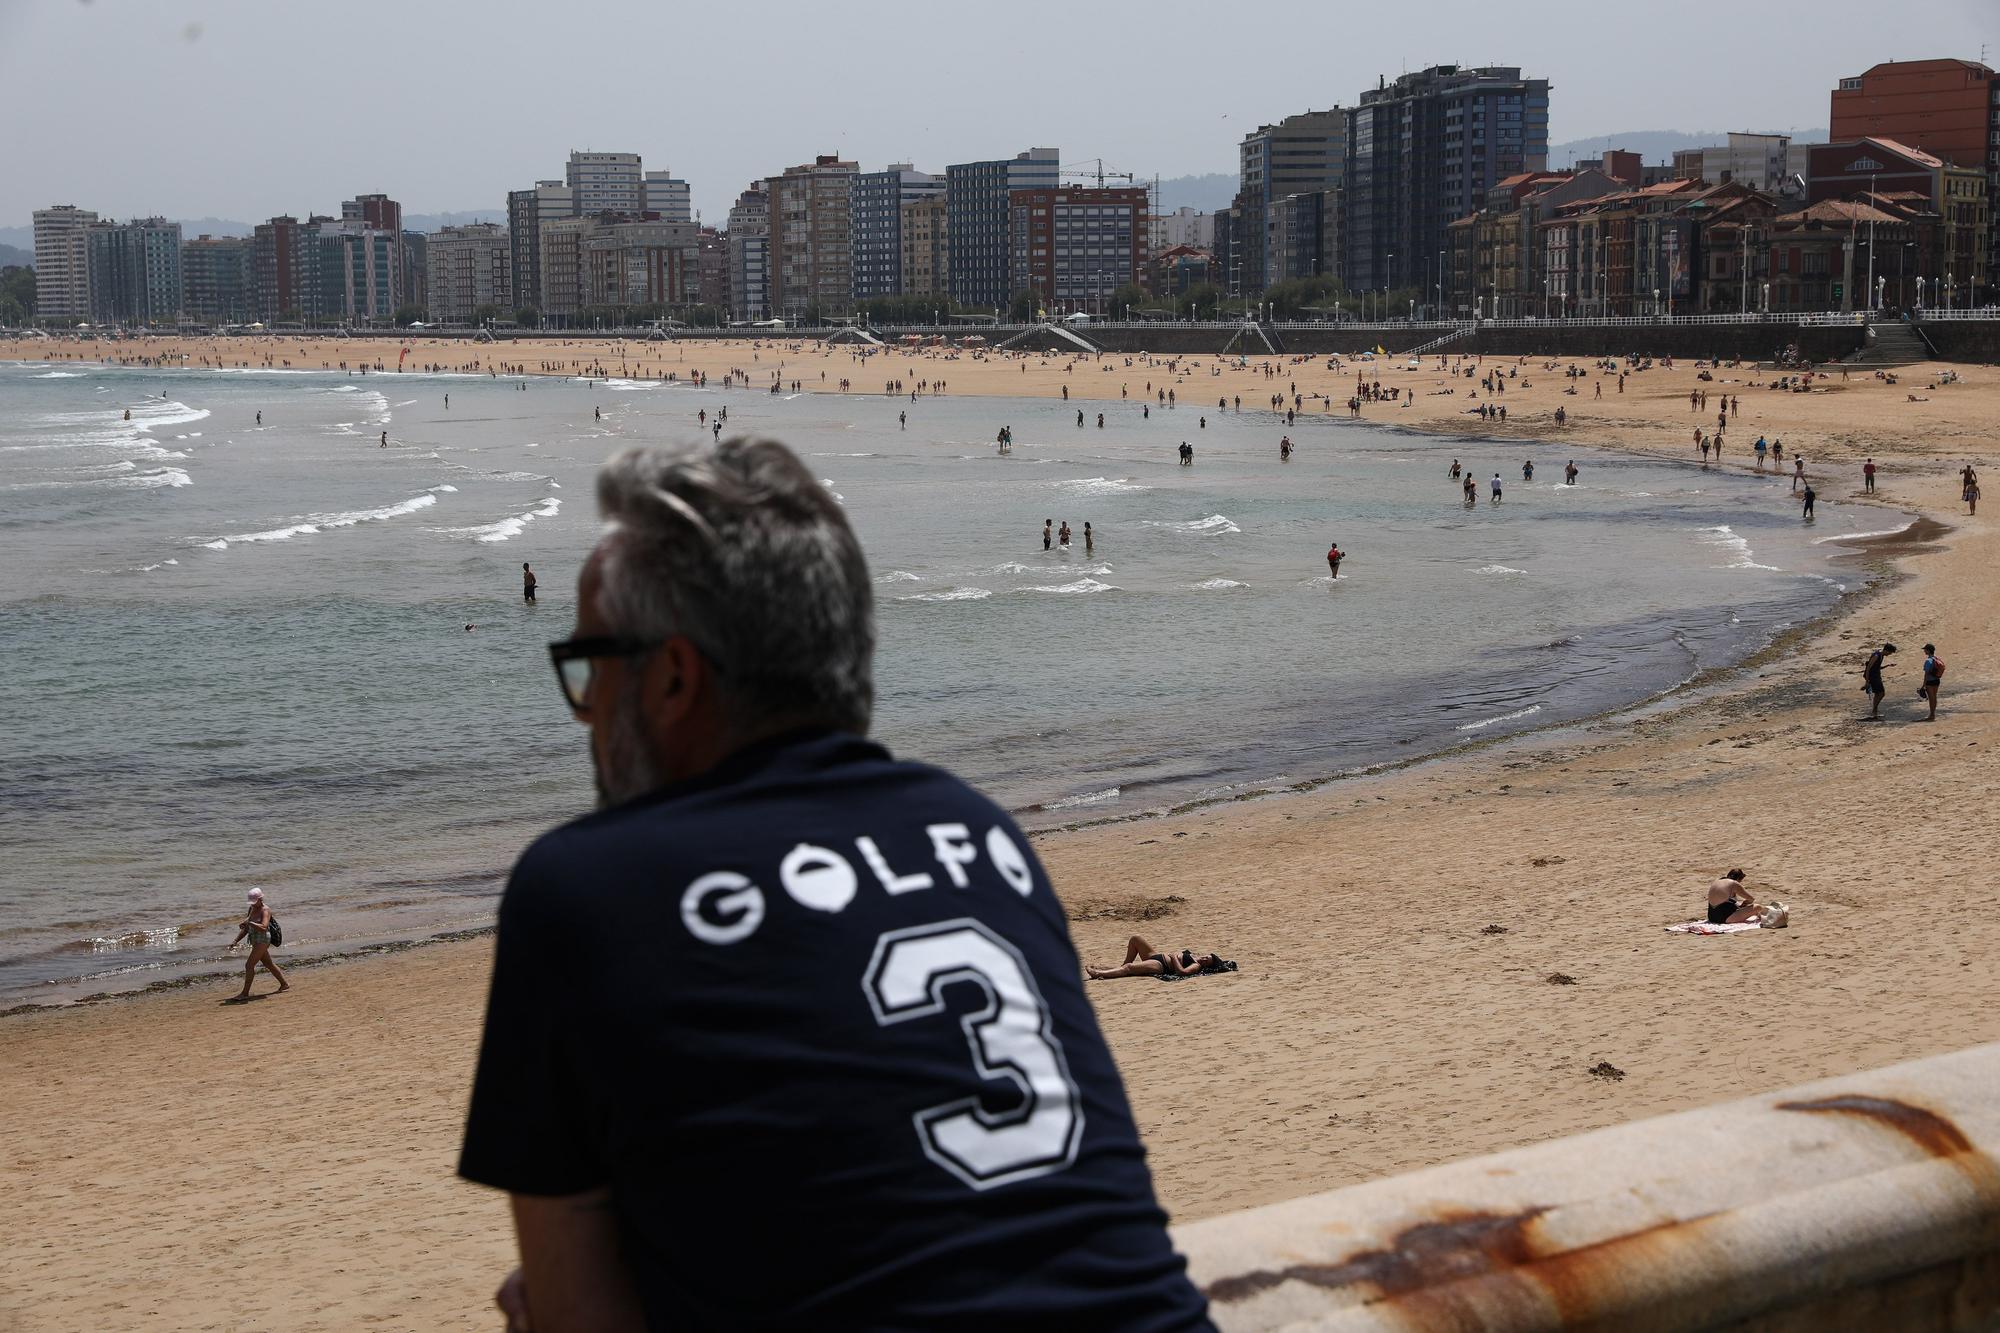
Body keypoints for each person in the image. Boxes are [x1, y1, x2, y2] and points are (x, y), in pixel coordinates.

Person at [459, 439, 1211, 1332]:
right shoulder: (979, 833)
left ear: (670, 675)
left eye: (590, 670)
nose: (587, 711)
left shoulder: (581, 889)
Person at [228, 887, 288, 1000]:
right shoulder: (251, 909)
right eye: (251, 902)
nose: (253, 904)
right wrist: (235, 941)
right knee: (268, 964)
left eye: (254, 902)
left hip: (263, 939)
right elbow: (246, 929)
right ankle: (284, 984)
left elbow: (264, 927)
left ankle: (244, 993)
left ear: (260, 899)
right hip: (255, 940)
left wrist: (250, 923)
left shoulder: (265, 910)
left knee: (249, 965)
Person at [1085, 937, 1230, 980]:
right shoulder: (1194, 956)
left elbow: (1182, 973)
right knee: (1135, 939)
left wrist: (1173, 959)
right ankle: (1118, 969)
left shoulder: (1196, 966)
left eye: (1207, 961)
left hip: (1161, 965)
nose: (1204, 959)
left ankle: (1099, 974)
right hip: (1156, 955)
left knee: (1130, 968)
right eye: (1206, 956)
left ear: (1206, 966)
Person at [1862, 642, 1896, 720]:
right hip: (1873, 678)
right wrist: (1867, 681)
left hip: (1876, 677)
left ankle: (1875, 713)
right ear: (1886, 650)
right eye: (1890, 652)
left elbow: (1876, 667)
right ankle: (1874, 711)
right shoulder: (1876, 656)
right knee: (1881, 693)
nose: (1889, 654)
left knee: (1878, 694)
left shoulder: (1880, 655)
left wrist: (1888, 665)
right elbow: (1868, 668)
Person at [1920, 643, 1945, 720]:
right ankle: (1933, 714)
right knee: (1934, 697)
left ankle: (1932, 715)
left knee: (1931, 699)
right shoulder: (1936, 658)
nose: (1924, 651)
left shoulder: (1928, 661)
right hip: (1937, 680)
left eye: (1925, 649)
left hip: (1930, 682)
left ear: (1928, 650)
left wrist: (1923, 685)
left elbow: (1926, 674)